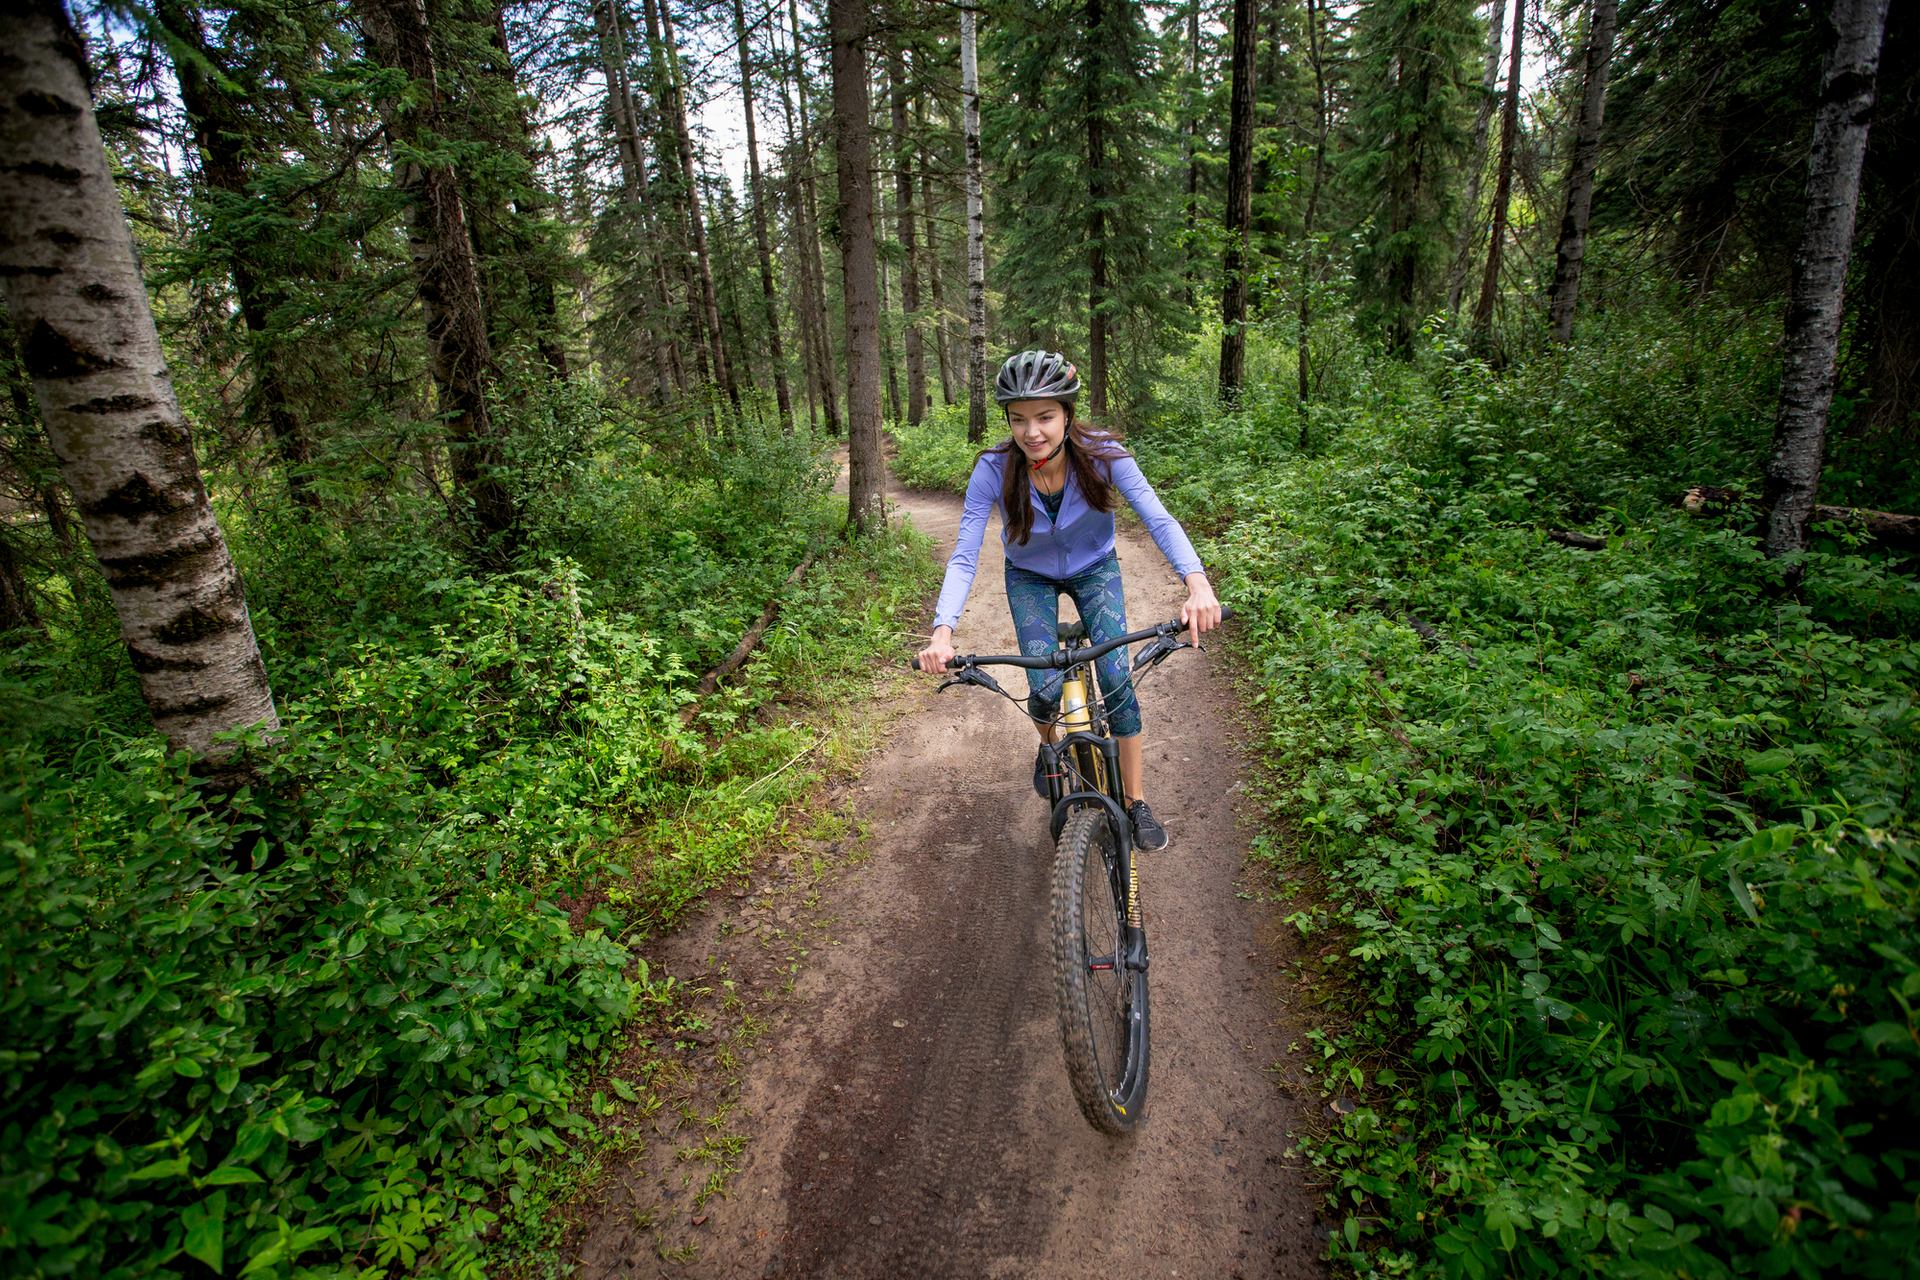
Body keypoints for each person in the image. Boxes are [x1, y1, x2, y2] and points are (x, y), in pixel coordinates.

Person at [915, 350, 1221, 851]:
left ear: (1068, 413)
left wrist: (1198, 583)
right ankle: (1048, 747)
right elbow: (965, 555)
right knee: (1041, 688)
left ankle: (1137, 799)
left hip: (1095, 566)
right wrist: (943, 632)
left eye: (1045, 417)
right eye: (1018, 419)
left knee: (1118, 681)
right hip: (1029, 575)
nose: (1031, 431)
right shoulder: (993, 469)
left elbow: (1158, 518)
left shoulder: (1103, 455)